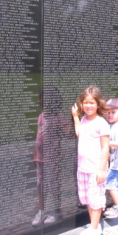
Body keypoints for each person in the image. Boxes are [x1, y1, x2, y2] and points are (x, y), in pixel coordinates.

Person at [71, 86, 110, 235]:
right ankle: (94, 226)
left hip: (96, 169)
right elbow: (80, 133)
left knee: (96, 200)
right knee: (88, 199)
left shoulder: (101, 123)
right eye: (85, 103)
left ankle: (94, 231)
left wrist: (101, 170)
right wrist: (75, 117)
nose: (88, 106)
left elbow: (105, 147)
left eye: (92, 103)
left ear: (98, 104)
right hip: (84, 167)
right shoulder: (84, 120)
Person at [32, 86, 69, 226]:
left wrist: (71, 121)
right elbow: (38, 137)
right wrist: (35, 154)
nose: (42, 103)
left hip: (53, 157)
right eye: (41, 100)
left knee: (53, 185)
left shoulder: (59, 117)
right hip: (41, 158)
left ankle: (56, 211)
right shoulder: (41, 116)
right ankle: (41, 211)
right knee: (40, 185)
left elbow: (67, 133)